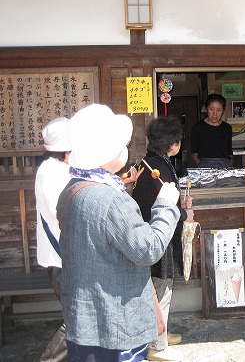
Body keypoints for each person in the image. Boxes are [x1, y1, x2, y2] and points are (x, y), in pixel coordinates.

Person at [56, 103, 181, 362]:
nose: (126, 149)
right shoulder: (111, 200)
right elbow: (149, 249)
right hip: (114, 326)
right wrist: (166, 205)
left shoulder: (74, 188)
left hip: (84, 321)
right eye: (121, 145)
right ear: (106, 152)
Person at [132, 116, 193, 362]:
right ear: (172, 143)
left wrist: (181, 206)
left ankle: (162, 333)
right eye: (177, 140)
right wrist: (185, 212)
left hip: (149, 234)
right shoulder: (161, 170)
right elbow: (163, 208)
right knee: (161, 289)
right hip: (160, 238)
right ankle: (156, 344)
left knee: (158, 289)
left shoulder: (148, 164)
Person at [35, 117, 72, 362]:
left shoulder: (55, 169)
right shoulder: (52, 172)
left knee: (78, 318)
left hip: (63, 255)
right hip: (61, 257)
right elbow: (64, 212)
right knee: (77, 319)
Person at [191, 93, 232, 168]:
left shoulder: (227, 128)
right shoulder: (197, 128)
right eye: (211, 109)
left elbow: (229, 151)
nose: (215, 114)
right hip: (205, 166)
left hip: (224, 166)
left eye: (219, 110)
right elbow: (194, 153)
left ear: (223, 111)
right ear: (206, 109)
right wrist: (205, 167)